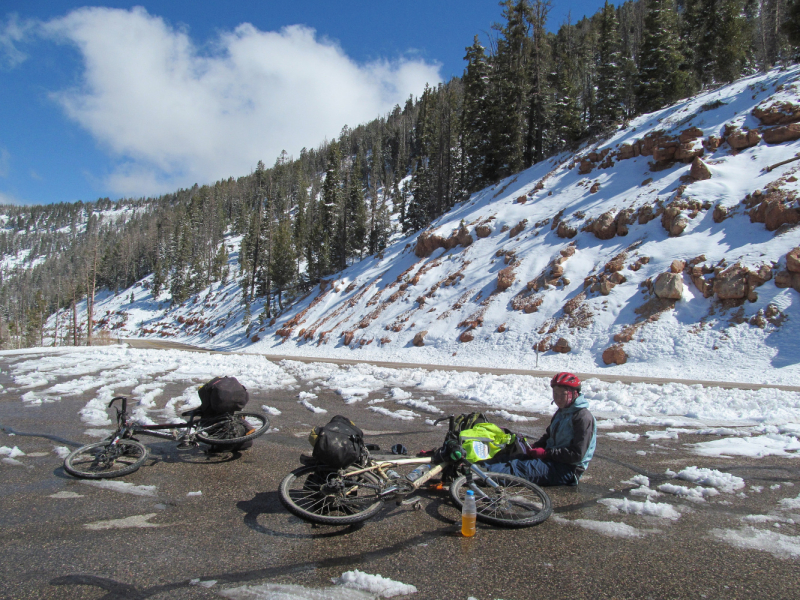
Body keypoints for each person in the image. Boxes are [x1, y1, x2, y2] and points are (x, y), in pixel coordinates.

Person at [484, 372, 596, 486]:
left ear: (574, 393)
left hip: (567, 469)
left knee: (518, 468)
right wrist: (535, 447)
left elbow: (577, 454)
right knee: (512, 458)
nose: (558, 398)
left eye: (563, 394)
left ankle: (479, 475)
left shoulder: (583, 417)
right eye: (555, 394)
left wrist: (546, 453)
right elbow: (549, 436)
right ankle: (477, 467)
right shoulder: (562, 412)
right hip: (552, 459)